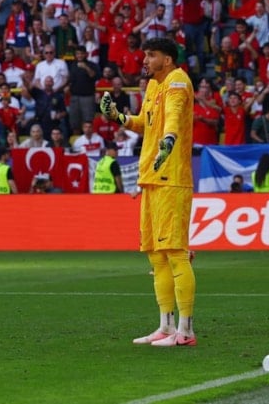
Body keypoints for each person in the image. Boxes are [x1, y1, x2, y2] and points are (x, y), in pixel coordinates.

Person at [99, 37, 196, 347]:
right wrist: (118, 117)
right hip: (151, 178)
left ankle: (186, 331)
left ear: (167, 59)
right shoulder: (153, 86)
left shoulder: (177, 81)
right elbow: (146, 123)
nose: (144, 60)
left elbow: (173, 118)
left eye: (151, 55)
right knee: (156, 256)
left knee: (176, 253)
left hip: (172, 177)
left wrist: (169, 141)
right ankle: (166, 326)